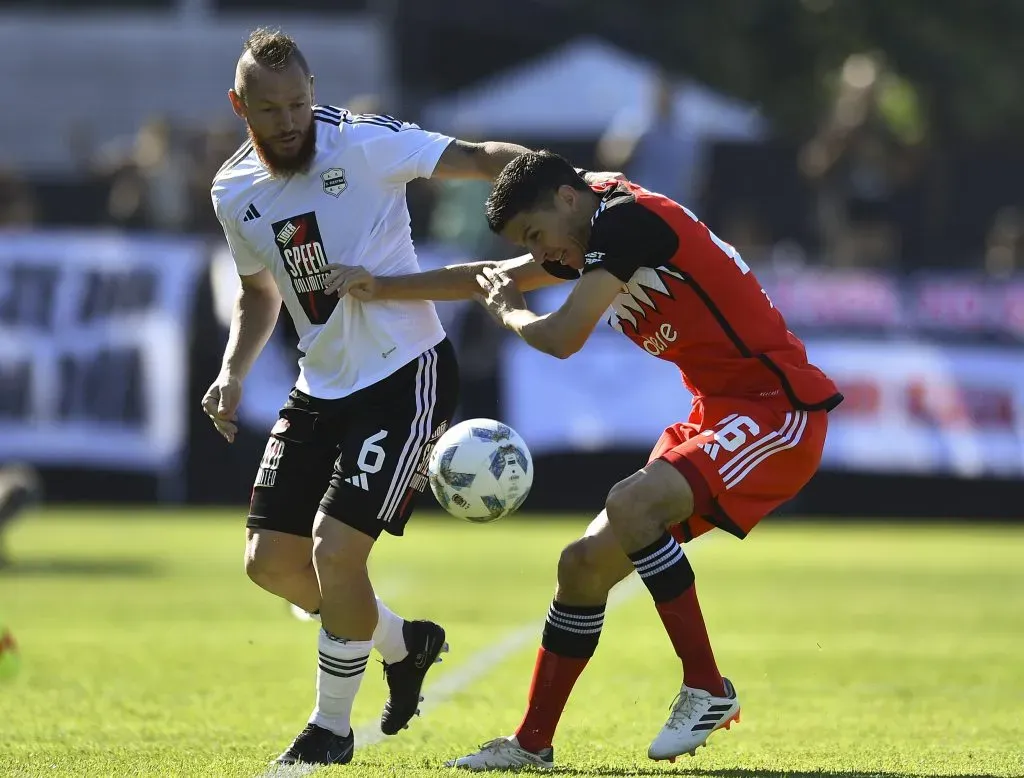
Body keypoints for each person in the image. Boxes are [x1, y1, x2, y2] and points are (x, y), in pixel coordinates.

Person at [324, 150, 844, 769]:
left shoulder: (622, 225)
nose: (542, 255)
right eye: (529, 243)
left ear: (569, 200)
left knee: (629, 506)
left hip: (775, 408)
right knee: (581, 567)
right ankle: (532, 744)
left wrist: (510, 312)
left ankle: (707, 686)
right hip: (718, 411)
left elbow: (560, 336)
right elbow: (490, 275)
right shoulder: (588, 220)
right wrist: (382, 288)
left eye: (537, 236)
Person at [203, 27, 531, 767]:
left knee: (335, 553)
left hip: (404, 374)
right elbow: (258, 291)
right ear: (238, 105)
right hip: (319, 384)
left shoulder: (366, 144)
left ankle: (330, 731)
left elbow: (478, 161)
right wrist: (232, 371)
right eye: (268, 108)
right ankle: (402, 643)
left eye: (297, 103)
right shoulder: (233, 190)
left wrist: (565, 186)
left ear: (314, 92)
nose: (288, 121)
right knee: (271, 564)